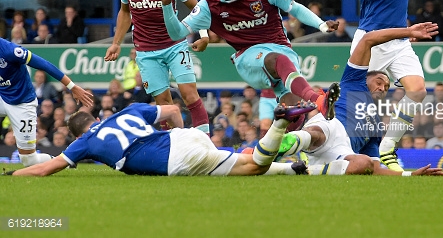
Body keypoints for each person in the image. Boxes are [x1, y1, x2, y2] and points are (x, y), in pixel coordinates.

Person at [159, 0, 341, 121]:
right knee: (277, 60)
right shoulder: (210, 6)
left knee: (294, 116)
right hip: (248, 58)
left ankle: (269, 154)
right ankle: (318, 99)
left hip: (283, 51)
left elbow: (295, 8)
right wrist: (167, 5)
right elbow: (177, 33)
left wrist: (322, 25)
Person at [275, 23, 443, 176]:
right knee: (316, 133)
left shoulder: (376, 125)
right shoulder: (353, 81)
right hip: (330, 125)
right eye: (379, 82)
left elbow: (376, 169)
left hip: (341, 152)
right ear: (366, 78)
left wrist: (411, 175)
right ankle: (278, 148)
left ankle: (305, 170)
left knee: (365, 164)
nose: (382, 88)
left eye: (386, 88)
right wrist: (407, 32)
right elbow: (368, 39)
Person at [6, 101, 314, 177]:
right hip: (183, 135)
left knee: (254, 166)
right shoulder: (127, 110)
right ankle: (290, 169)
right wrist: (179, 134)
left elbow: (45, 168)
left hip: (174, 158)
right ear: (97, 119)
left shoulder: (83, 143)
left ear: (79, 134)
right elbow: (172, 109)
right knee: (242, 163)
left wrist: (15, 173)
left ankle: (280, 123)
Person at [346, 0, 428, 171]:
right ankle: (340, 148)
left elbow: (394, 4)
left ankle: (387, 148)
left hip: (399, 40)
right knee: (360, 100)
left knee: (417, 90)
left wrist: (406, 31)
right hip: (372, 39)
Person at [104, 0, 210, 134]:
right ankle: (177, 146)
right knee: (163, 103)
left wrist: (203, 34)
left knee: (189, 94)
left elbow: (197, 7)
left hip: (175, 46)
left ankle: (206, 145)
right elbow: (125, 12)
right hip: (146, 52)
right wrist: (116, 43)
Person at [0, 38, 94, 167]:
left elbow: (45, 65)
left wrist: (72, 86)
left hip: (21, 102)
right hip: (2, 97)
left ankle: (62, 162)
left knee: (29, 160)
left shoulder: (10, 51)